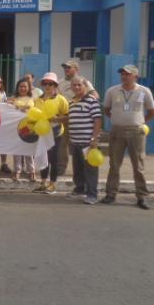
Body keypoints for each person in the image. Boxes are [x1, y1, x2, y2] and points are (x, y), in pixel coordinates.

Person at [102, 65, 154, 209]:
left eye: (127, 74)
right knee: (114, 165)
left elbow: (151, 112)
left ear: (135, 76)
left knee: (138, 166)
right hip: (117, 131)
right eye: (122, 74)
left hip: (136, 132)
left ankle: (142, 197)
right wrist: (118, 120)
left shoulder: (144, 91)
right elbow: (106, 110)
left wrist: (139, 121)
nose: (124, 76)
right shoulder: (112, 91)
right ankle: (111, 194)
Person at [57, 59, 99, 176]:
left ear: (76, 69)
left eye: (69, 67)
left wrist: (82, 104)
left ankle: (85, 168)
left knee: (81, 144)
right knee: (62, 144)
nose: (66, 69)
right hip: (65, 117)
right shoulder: (60, 83)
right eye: (65, 67)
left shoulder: (83, 81)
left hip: (80, 118)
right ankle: (61, 167)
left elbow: (95, 95)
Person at [68, 75, 102, 205]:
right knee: (78, 169)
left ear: (85, 86)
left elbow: (97, 120)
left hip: (88, 142)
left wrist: (94, 138)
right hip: (75, 141)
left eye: (79, 85)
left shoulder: (91, 101)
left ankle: (92, 195)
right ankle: (79, 190)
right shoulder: (72, 102)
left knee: (90, 170)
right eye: (74, 85)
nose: (76, 87)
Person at [33, 72, 69, 194]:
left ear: (55, 85)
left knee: (53, 159)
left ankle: (52, 184)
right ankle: (43, 183)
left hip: (56, 132)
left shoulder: (61, 100)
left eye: (50, 84)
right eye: (45, 83)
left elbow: (67, 116)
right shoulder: (37, 100)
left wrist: (56, 119)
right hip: (41, 132)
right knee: (43, 157)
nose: (47, 86)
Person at [8, 78, 36, 182]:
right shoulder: (13, 98)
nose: (23, 88)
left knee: (28, 148)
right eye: (20, 86)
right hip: (16, 127)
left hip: (28, 127)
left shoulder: (33, 99)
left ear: (28, 88)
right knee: (17, 149)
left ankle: (31, 170)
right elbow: (6, 107)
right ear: (17, 88)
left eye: (25, 86)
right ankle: (17, 170)